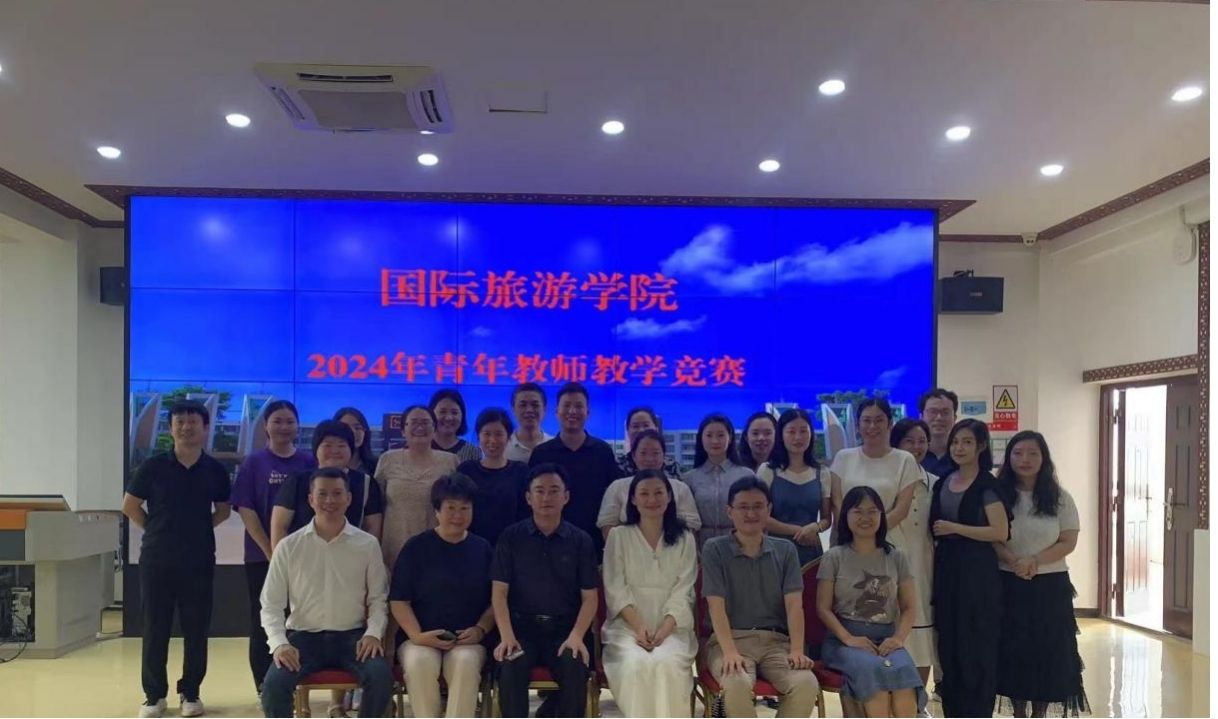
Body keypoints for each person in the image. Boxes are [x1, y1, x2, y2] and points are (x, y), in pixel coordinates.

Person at [123, 400, 232, 719]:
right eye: (180, 422)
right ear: (170, 428)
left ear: (205, 428)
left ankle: (191, 692)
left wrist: (198, 530)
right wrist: (156, 529)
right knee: (155, 628)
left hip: (199, 560)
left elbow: (223, 511)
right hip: (157, 560)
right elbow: (130, 506)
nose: (186, 427)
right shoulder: (153, 467)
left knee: (196, 629)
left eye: (193, 422)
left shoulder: (215, 470)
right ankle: (154, 695)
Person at [259, 468, 393, 718]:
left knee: (380, 676)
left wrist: (373, 633)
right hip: (303, 638)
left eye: (337, 493)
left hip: (353, 638)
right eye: (322, 494)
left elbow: (378, 599)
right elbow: (271, 604)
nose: (330, 500)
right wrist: (279, 644)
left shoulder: (367, 544)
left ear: (349, 498)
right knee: (273, 686)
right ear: (311, 499)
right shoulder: (289, 546)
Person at [701, 477, 818, 718]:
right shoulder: (714, 549)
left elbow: (794, 606)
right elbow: (715, 606)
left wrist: (797, 649)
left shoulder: (785, 550)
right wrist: (730, 651)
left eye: (758, 506)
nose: (751, 513)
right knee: (735, 683)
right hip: (730, 641)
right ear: (729, 511)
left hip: (776, 643)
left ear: (769, 509)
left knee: (806, 683)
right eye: (743, 507)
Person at [492, 464, 599, 718]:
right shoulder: (511, 537)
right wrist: (507, 636)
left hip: (565, 631)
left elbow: (590, 598)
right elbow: (499, 593)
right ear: (528, 497)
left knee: (575, 667)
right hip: (521, 630)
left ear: (566, 496)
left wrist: (576, 635)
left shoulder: (581, 540)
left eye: (554, 490)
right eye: (539, 491)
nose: (546, 497)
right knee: (510, 667)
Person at [994, 432, 1089, 718]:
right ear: (1008, 458)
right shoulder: (997, 495)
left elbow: (1068, 541)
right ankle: (1018, 713)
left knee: (1048, 651)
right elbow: (992, 536)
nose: (1025, 459)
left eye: (1033, 453)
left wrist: (1034, 561)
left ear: (1044, 458)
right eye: (1018, 453)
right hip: (1007, 582)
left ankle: (1040, 713)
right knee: (1013, 650)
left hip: (1049, 585)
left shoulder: (1060, 498)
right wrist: (1014, 561)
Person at [230, 400, 317, 695]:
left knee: (299, 622)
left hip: (304, 559)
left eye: (289, 421)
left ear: (298, 426)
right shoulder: (254, 463)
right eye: (277, 421)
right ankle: (264, 687)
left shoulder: (308, 462)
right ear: (266, 426)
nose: (283, 427)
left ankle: (294, 685)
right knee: (264, 622)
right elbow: (246, 509)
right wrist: (271, 551)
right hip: (261, 557)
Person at [391, 474, 495, 718]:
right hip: (420, 638)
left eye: (464, 508)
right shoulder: (415, 548)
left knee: (465, 662)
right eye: (450, 508)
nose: (458, 515)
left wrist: (480, 629)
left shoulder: (483, 549)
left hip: (468, 641)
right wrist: (417, 636)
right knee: (419, 662)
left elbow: (495, 602)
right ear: (437, 511)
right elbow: (399, 600)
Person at [817, 486, 926, 717]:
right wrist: (849, 638)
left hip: (887, 639)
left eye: (872, 511)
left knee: (904, 674)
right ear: (845, 516)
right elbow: (823, 608)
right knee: (874, 672)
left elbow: (909, 607)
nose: (865, 517)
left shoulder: (896, 557)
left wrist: (898, 639)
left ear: (881, 516)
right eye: (858, 511)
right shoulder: (833, 557)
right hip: (844, 641)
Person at [930, 419, 1011, 718]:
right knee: (949, 645)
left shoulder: (987, 485)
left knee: (976, 646)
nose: (959, 448)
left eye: (966, 442)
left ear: (981, 446)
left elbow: (1000, 531)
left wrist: (956, 528)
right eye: (955, 442)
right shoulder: (943, 482)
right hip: (947, 572)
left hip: (978, 576)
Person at [601, 470, 698, 717]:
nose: (652, 499)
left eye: (658, 493)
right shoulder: (618, 536)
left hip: (673, 628)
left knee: (666, 663)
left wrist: (664, 629)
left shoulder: (685, 538)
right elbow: (615, 588)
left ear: (669, 497)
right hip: (627, 628)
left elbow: (684, 590)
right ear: (633, 499)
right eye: (644, 493)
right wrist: (639, 627)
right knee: (636, 664)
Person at [528, 382, 619, 554]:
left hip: (595, 543)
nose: (572, 411)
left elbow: (613, 498)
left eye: (578, 406)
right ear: (556, 411)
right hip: (550, 543)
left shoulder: (602, 451)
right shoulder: (541, 453)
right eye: (566, 405)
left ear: (587, 412)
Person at [271, 420, 383, 549]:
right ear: (316, 449)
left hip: (350, 555)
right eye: (327, 445)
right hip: (302, 556)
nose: (335, 451)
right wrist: (280, 558)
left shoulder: (366, 483)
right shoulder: (297, 481)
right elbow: (279, 526)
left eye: (341, 445)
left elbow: (372, 528)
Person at [375, 405, 460, 570]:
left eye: (425, 422)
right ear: (402, 430)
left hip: (438, 549)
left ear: (434, 429)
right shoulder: (387, 460)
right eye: (414, 422)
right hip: (394, 550)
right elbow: (377, 508)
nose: (420, 427)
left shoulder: (451, 461)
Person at [830, 398, 920, 547]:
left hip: (888, 543)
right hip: (847, 542)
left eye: (879, 420)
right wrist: (854, 534)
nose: (872, 426)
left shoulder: (905, 460)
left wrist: (869, 533)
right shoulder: (843, 458)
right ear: (858, 425)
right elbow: (837, 504)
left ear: (890, 424)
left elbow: (901, 510)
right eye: (867, 420)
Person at [888, 418, 937, 687]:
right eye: (909, 441)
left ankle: (918, 699)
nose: (917, 447)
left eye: (922, 441)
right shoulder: (887, 482)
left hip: (925, 566)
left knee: (922, 635)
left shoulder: (935, 483)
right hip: (890, 567)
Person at [757, 409, 831, 565]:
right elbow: (760, 517)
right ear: (781, 436)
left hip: (812, 551)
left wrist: (816, 527)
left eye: (803, 431)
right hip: (775, 551)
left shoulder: (822, 472)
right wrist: (800, 531)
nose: (798, 437)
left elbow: (827, 519)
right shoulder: (768, 470)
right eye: (791, 432)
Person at [598, 429, 701, 539]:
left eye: (655, 453)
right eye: (643, 453)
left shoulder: (681, 488)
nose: (649, 459)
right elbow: (607, 524)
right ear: (634, 456)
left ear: (664, 456)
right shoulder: (617, 487)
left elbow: (691, 526)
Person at [457, 407, 531, 545]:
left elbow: (526, 515)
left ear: (509, 437)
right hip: (472, 547)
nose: (492, 440)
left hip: (511, 547)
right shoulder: (466, 470)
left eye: (498, 434)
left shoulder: (521, 471)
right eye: (487, 434)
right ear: (478, 436)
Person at [682, 414, 756, 547]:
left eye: (721, 435)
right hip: (702, 545)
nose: (715, 441)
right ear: (701, 439)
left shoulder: (746, 475)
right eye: (709, 435)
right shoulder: (689, 478)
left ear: (730, 437)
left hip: (739, 543)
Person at [615, 406, 684, 477]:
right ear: (627, 431)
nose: (641, 430)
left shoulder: (672, 467)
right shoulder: (617, 466)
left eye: (646, 425)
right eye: (635, 426)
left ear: (656, 429)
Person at [429, 388, 482, 463]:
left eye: (454, 413)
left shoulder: (472, 452)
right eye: (442, 412)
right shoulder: (420, 447)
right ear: (430, 414)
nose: (449, 418)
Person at [505, 382, 550, 462]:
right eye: (523, 405)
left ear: (545, 409)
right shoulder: (503, 447)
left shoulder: (553, 445)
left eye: (535, 405)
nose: (529, 410)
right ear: (513, 409)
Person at [918, 389, 958, 478]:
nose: (939, 417)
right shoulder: (913, 454)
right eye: (933, 412)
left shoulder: (962, 454)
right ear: (921, 417)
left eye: (945, 412)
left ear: (954, 418)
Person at [334, 407, 379, 476]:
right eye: (346, 428)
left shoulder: (378, 466)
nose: (353, 433)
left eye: (357, 428)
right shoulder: (327, 466)